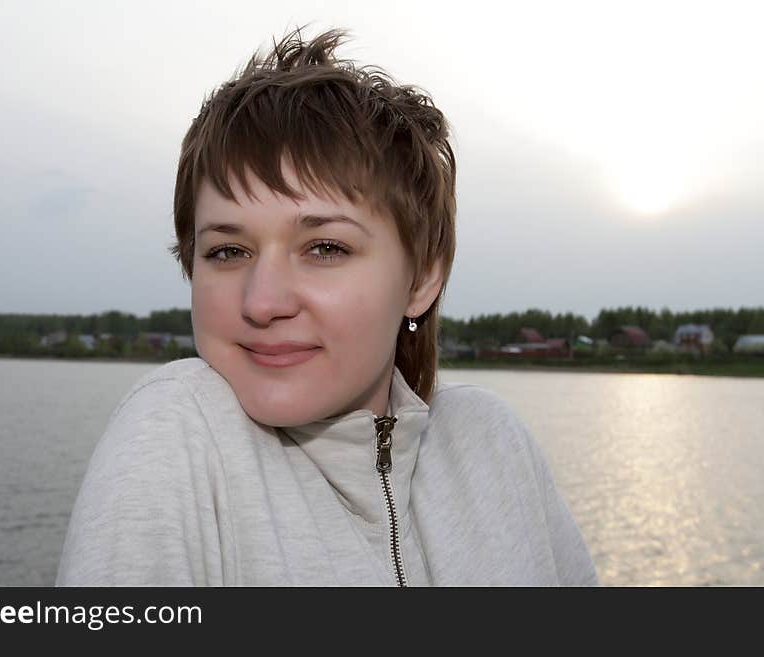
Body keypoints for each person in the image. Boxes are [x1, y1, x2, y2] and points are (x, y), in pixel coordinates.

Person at [55, 27, 598, 586]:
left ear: (422, 275)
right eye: (229, 250)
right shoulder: (177, 433)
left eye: (325, 248)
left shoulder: (492, 446)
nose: (262, 302)